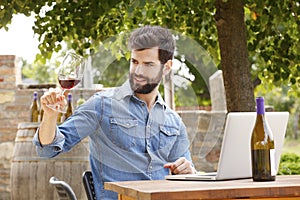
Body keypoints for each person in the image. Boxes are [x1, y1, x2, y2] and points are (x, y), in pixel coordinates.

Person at [33, 25, 196, 199]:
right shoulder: (102, 105)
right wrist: (49, 117)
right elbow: (48, 150)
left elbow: (188, 177)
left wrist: (189, 172)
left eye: (148, 64)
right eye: (134, 62)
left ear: (166, 67)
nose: (138, 71)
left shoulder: (174, 122)